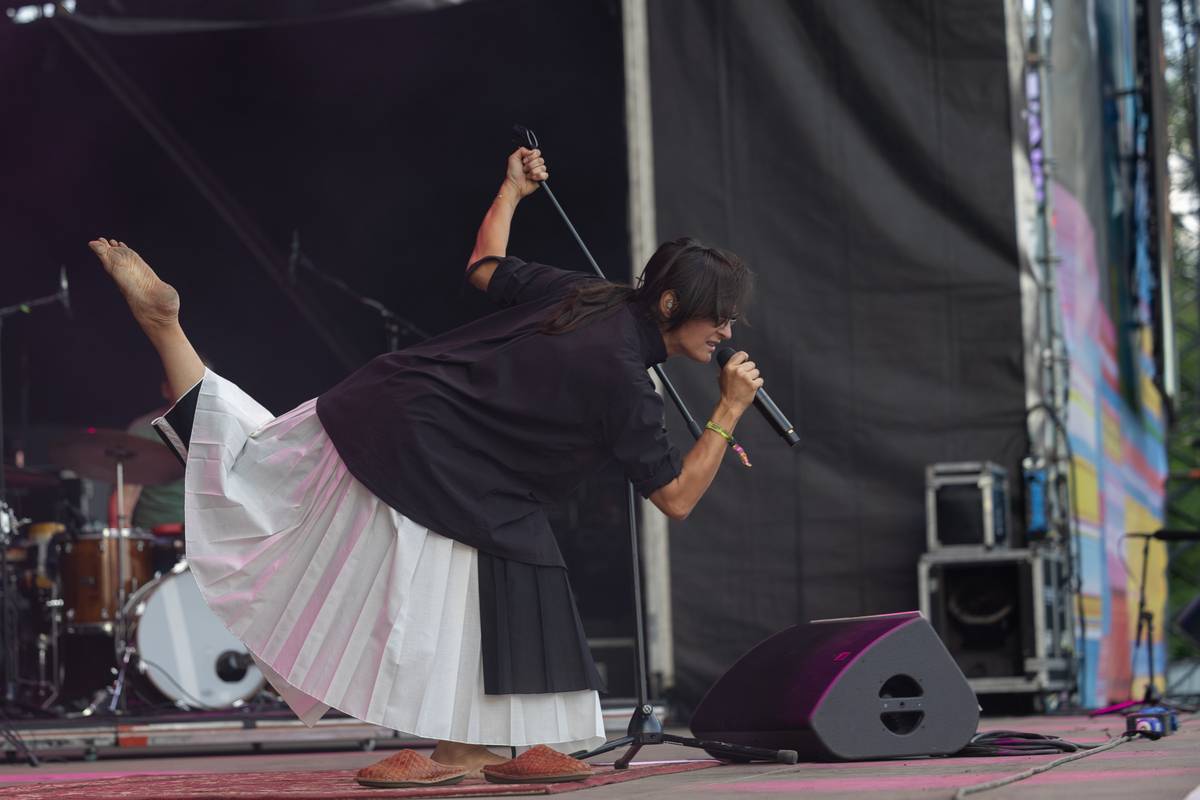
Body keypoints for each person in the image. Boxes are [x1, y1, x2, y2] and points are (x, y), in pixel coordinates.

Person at [87, 146, 761, 788]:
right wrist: (728, 409)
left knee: (260, 471)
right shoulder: (627, 381)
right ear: (670, 305)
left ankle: (479, 743)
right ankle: (463, 743)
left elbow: (484, 265)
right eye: (720, 318)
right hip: (431, 453)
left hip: (397, 406)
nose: (726, 332)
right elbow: (675, 497)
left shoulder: (589, 295)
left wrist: (511, 190)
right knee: (441, 563)